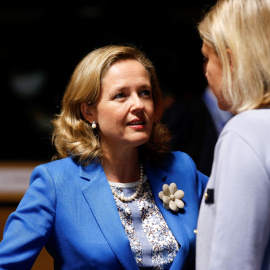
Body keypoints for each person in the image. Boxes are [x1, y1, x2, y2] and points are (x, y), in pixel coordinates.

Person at [0, 45, 208, 269]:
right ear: (89, 111)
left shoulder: (181, 168)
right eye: (121, 95)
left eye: (144, 92)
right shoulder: (55, 183)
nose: (138, 104)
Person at [196, 0, 270, 269]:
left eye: (207, 58)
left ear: (230, 60)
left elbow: (233, 261)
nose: (205, 71)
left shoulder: (244, 132)